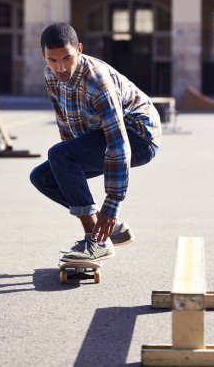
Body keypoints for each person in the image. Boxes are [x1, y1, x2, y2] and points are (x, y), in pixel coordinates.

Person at [30, 22, 161, 262]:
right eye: (52, 60)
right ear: (44, 56)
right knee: (43, 177)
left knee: (61, 156)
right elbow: (65, 124)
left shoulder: (98, 82)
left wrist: (112, 206)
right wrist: (67, 162)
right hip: (102, 136)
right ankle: (111, 232)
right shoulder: (51, 75)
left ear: (79, 49)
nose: (61, 67)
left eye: (67, 58)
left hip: (139, 137)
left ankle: (98, 240)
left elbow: (118, 145)